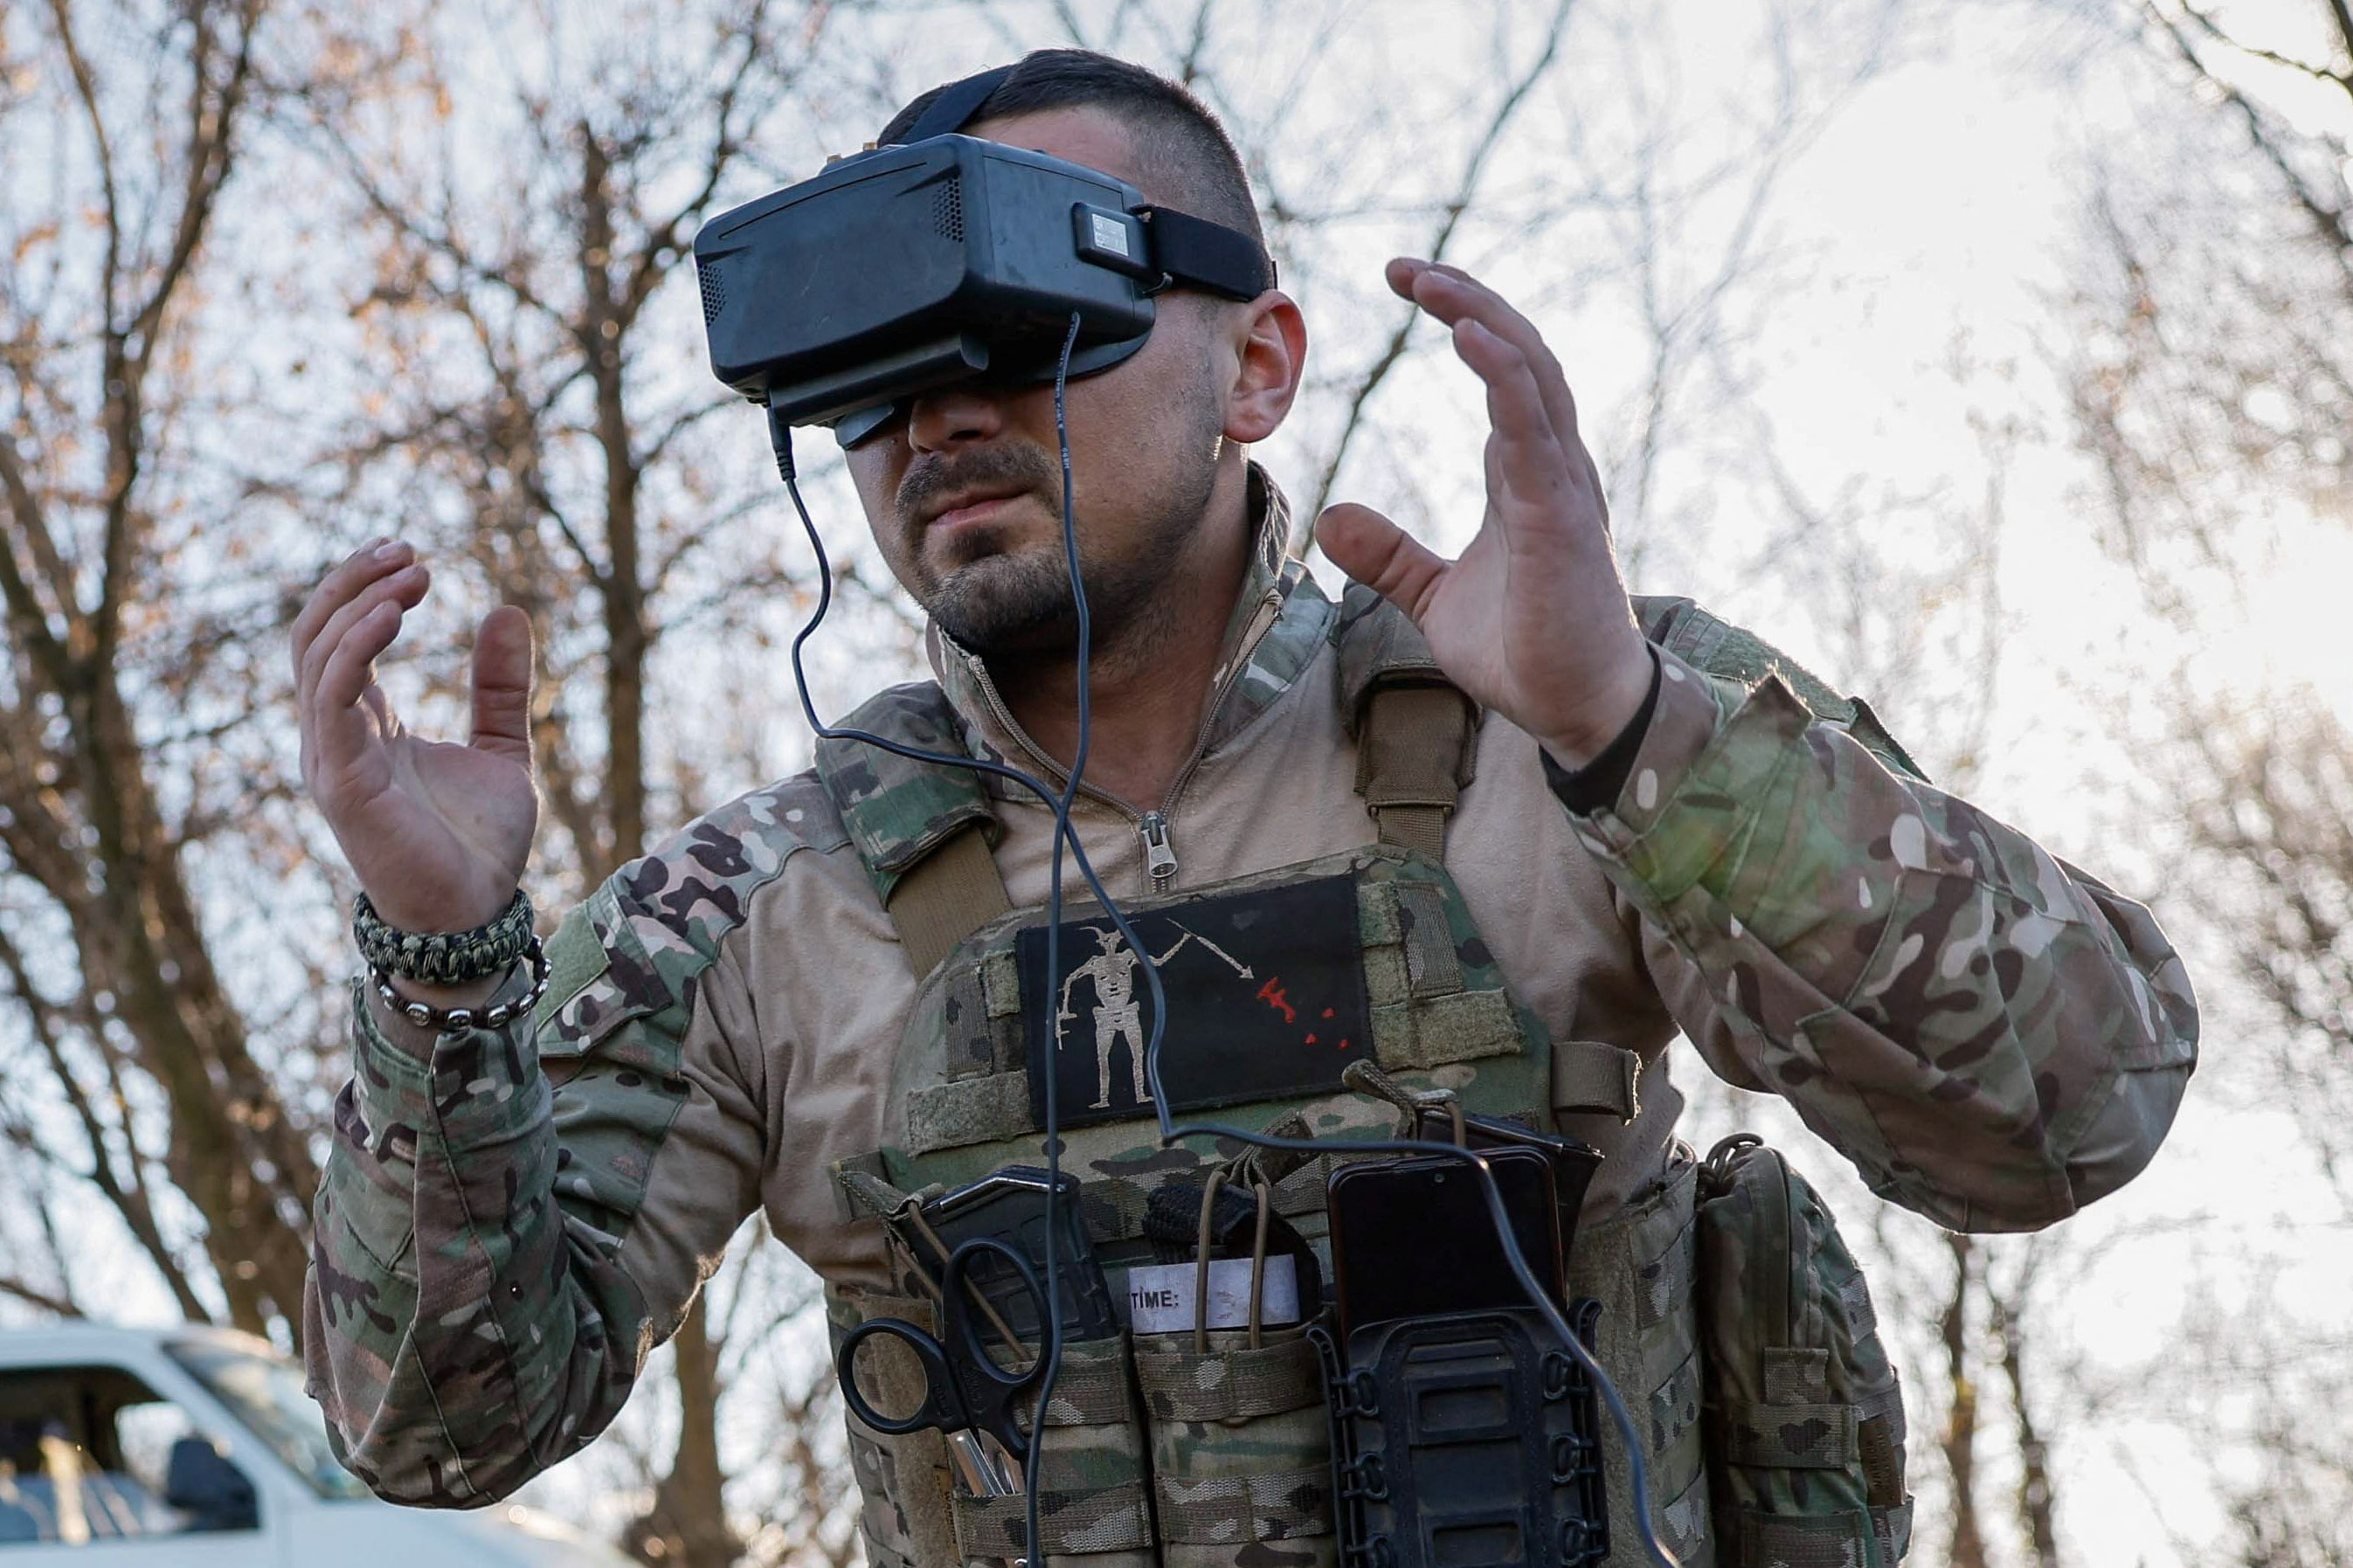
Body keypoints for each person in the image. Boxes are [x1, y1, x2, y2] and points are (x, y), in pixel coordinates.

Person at [294, 48, 2197, 1567]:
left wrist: (1636, 732)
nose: (943, 415)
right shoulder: (754, 912)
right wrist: (448, 971)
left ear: (1258, 363)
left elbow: (2068, 1114)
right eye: (878, 380)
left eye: (1030, 325)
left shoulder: (1562, 718)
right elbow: (436, 1427)